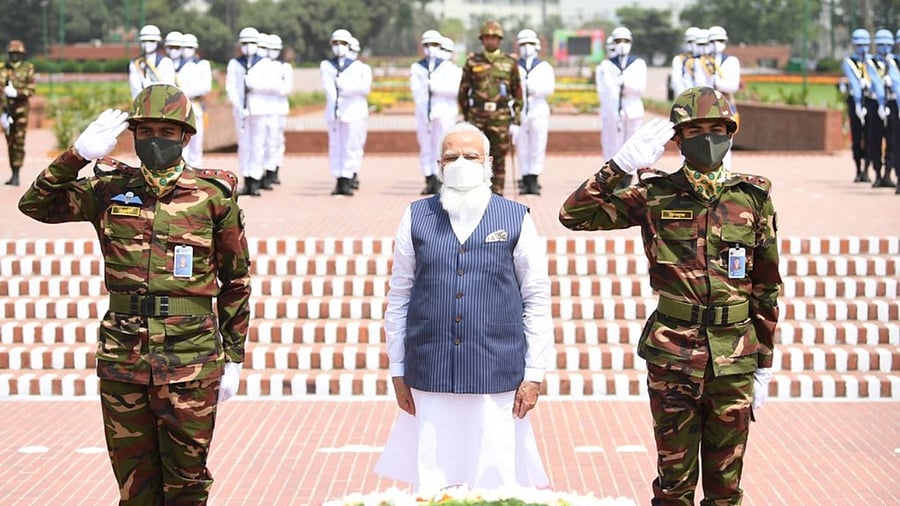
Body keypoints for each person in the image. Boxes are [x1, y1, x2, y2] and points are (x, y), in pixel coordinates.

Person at [17, 83, 251, 505]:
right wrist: (78, 155)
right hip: (124, 356)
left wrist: (233, 357)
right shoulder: (108, 190)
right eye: (144, 131)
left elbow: (236, 282)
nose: (154, 140)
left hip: (190, 358)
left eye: (166, 130)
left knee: (188, 484)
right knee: (134, 487)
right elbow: (34, 204)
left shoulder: (212, 197)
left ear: (185, 136)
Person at [559, 86, 781, 505]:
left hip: (734, 356)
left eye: (718, 129)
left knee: (726, 487)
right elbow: (574, 215)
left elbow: (767, 287)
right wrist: (618, 166)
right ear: (677, 139)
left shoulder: (753, 197)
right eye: (697, 130)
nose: (709, 138)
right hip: (674, 354)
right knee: (673, 485)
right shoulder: (655, 194)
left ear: (731, 133)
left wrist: (764, 363)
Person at [375, 121, 552, 495]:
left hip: (496, 370)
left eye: (470, 156)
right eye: (452, 156)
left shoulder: (516, 217)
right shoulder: (416, 216)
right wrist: (397, 368)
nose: (461, 162)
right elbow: (399, 296)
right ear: (439, 164)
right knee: (433, 480)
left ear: (487, 163)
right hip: (430, 369)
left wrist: (534, 372)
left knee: (495, 480)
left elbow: (536, 298)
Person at [458, 20, 523, 195]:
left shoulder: (509, 63)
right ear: (482, 40)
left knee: (499, 159)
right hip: (477, 117)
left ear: (500, 40)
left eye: (494, 38)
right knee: (475, 157)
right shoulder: (473, 62)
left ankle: (497, 196)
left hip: (500, 117)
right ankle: (475, 193)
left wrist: (516, 120)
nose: (490, 41)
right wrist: (466, 116)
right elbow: (463, 91)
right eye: (487, 37)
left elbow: (517, 92)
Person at [320, 28, 372, 196]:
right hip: (335, 113)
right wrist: (340, 92)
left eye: (342, 43)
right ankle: (339, 179)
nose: (338, 46)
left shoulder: (360, 68)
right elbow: (328, 88)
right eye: (335, 43)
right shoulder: (327, 65)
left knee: (351, 146)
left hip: (354, 112)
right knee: (336, 146)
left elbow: (364, 88)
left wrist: (344, 87)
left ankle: (349, 178)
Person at [595, 26, 647, 189]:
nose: (622, 44)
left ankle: (628, 178)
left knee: (631, 144)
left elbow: (640, 87)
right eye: (618, 41)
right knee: (612, 145)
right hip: (612, 111)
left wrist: (625, 85)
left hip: (632, 108)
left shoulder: (638, 64)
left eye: (625, 41)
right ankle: (612, 178)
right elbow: (603, 89)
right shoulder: (606, 65)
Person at [410, 29, 460, 195]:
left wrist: (436, 88)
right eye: (427, 45)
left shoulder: (448, 67)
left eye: (434, 45)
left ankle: (441, 180)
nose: (431, 48)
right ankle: (429, 178)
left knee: (442, 146)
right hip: (424, 112)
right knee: (425, 146)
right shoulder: (418, 67)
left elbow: (454, 89)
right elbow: (416, 90)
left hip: (444, 111)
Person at [226, 26, 269, 196]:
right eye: (245, 42)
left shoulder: (265, 63)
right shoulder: (235, 63)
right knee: (244, 146)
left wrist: (254, 84)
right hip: (241, 110)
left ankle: (256, 179)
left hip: (259, 107)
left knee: (258, 144)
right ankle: (247, 178)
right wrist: (238, 105)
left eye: (251, 42)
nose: (248, 45)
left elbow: (270, 86)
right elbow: (231, 87)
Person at [693, 26, 741, 170]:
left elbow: (734, 85)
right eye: (713, 40)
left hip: (726, 106)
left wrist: (717, 82)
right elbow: (698, 85)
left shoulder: (732, 61)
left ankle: (726, 176)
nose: (716, 43)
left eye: (720, 40)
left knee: (725, 143)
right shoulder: (700, 62)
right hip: (706, 108)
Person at [514, 28, 555, 196]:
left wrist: (532, 89)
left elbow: (549, 88)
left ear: (536, 46)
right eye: (523, 44)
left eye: (530, 43)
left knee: (537, 145)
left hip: (538, 108)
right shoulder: (514, 66)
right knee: (522, 146)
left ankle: (534, 178)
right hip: (520, 109)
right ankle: (524, 178)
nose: (526, 47)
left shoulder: (544, 66)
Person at [0, 39, 35, 186]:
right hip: (6, 111)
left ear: (22, 55)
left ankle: (17, 174)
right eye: (12, 54)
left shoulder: (28, 69)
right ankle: (12, 171)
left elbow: (31, 90)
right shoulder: (2, 69)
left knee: (19, 142)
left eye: (17, 54)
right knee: (10, 142)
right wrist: (2, 113)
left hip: (20, 111)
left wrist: (17, 92)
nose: (14, 56)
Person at [866, 29, 896, 188]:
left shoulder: (895, 62)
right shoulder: (871, 62)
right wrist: (881, 104)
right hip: (875, 104)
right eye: (881, 44)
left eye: (888, 44)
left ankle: (888, 173)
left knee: (892, 140)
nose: (885, 47)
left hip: (891, 104)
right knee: (875, 139)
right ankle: (877, 173)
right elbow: (876, 83)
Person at [178, 33, 213, 168]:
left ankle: (195, 175)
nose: (186, 50)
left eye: (190, 47)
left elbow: (205, 87)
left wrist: (183, 92)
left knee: (196, 144)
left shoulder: (202, 64)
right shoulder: (173, 64)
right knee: (181, 144)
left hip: (195, 105)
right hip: (178, 107)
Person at [842, 28, 873, 183]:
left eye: (865, 44)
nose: (862, 47)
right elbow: (853, 82)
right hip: (855, 101)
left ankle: (867, 169)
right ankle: (858, 169)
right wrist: (858, 103)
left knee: (870, 136)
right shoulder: (849, 62)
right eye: (859, 44)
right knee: (857, 135)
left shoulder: (873, 61)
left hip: (871, 101)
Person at [261, 33, 292, 186]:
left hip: (279, 109)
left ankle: (273, 170)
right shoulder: (262, 66)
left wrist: (269, 87)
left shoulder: (284, 67)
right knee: (264, 141)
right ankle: (264, 170)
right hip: (264, 108)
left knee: (276, 141)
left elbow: (285, 89)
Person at [128, 24, 176, 99]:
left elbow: (169, 86)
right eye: (144, 41)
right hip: (142, 102)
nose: (147, 44)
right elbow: (135, 87)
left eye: (151, 41)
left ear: (157, 42)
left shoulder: (166, 62)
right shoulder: (135, 63)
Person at [670, 27, 699, 99]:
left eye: (695, 42)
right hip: (685, 98)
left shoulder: (705, 59)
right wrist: (687, 98)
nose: (693, 44)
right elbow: (676, 82)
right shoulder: (679, 59)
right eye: (690, 42)